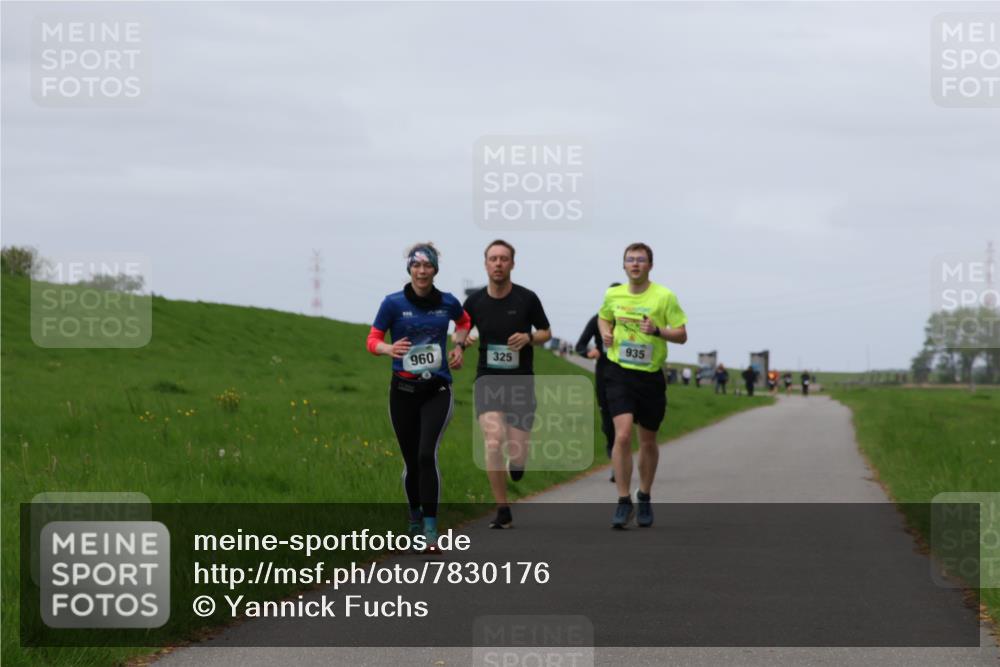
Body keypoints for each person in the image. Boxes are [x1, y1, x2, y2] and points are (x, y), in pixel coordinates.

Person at [367, 243, 471, 551]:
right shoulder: (393, 304)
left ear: (435, 270)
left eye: (428, 266)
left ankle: (430, 528)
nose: (422, 271)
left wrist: (459, 347)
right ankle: (413, 519)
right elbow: (372, 339)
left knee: (427, 454)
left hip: (436, 389)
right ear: (410, 269)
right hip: (402, 391)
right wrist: (388, 348)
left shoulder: (448, 302)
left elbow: (464, 322)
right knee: (412, 461)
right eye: (417, 266)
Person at [598, 242, 688, 529]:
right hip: (618, 372)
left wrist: (658, 330)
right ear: (623, 266)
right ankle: (623, 501)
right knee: (622, 436)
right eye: (630, 260)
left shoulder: (665, 297)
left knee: (647, 441)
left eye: (640, 260)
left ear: (650, 265)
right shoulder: (613, 294)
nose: (635, 264)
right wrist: (605, 333)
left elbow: (682, 334)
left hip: (650, 376)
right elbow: (603, 316)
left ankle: (644, 494)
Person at [464, 240, 551, 529]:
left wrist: (529, 338)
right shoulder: (474, 302)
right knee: (493, 440)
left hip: (521, 383)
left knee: (516, 451)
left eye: (504, 259)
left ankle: (518, 463)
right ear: (485, 264)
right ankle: (502, 509)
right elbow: (459, 331)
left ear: (513, 263)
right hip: (488, 380)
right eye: (493, 259)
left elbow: (546, 332)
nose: (498, 263)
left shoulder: (527, 299)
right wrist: (462, 340)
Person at [575, 283, 622, 483]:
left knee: (623, 423)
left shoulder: (631, 320)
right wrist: (589, 353)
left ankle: (619, 465)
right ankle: (614, 457)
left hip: (627, 376)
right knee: (608, 424)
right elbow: (579, 346)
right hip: (604, 375)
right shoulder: (597, 320)